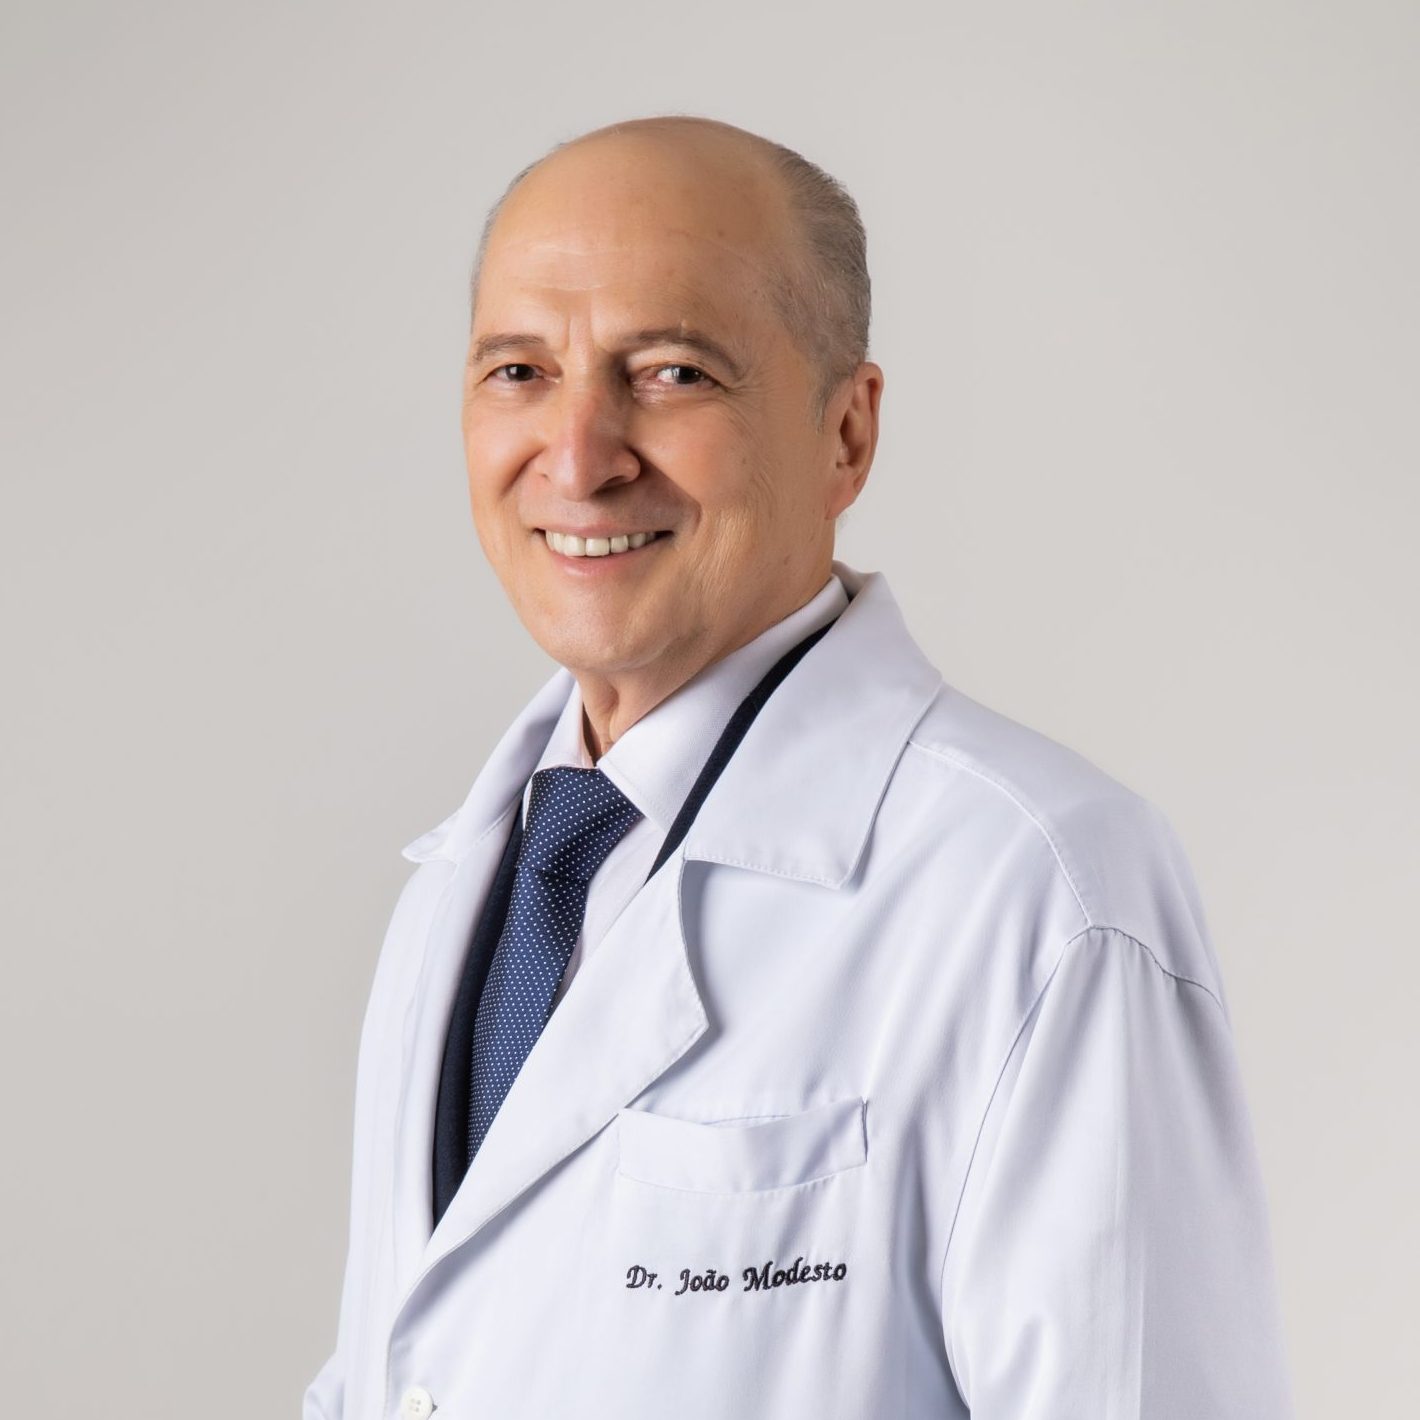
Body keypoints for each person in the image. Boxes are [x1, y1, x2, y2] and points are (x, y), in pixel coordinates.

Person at [303, 114, 1293, 1419]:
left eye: (672, 372)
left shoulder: (1040, 893)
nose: (580, 458)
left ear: (846, 436)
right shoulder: (465, 891)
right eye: (520, 372)